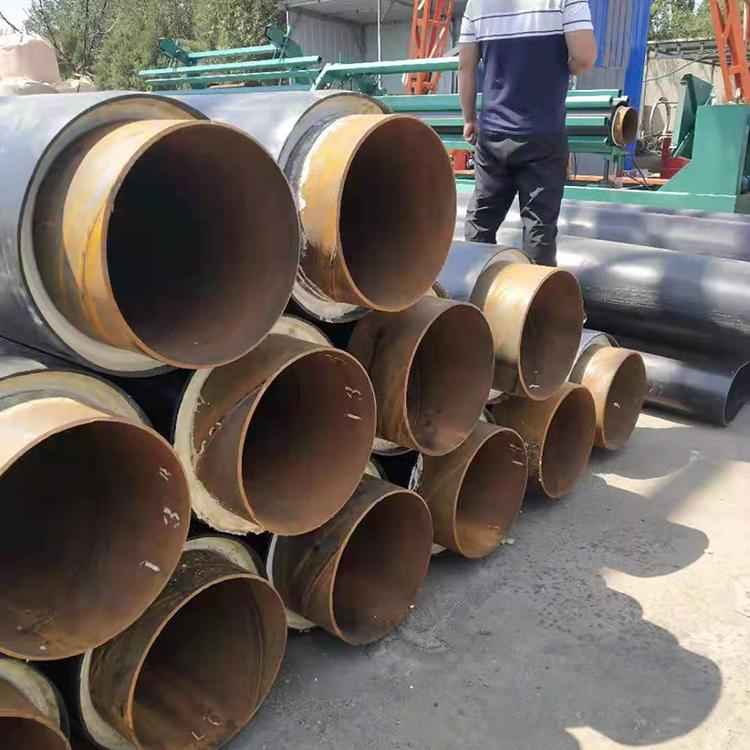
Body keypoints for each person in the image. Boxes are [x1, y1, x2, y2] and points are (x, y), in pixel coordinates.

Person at [458, 0, 597, 266]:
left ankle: (476, 284)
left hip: (493, 133)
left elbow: (465, 67)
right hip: (543, 135)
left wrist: (469, 119)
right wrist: (557, 68)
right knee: (539, 229)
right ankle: (534, 291)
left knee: (481, 221)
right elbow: (584, 57)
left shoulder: (477, 4)